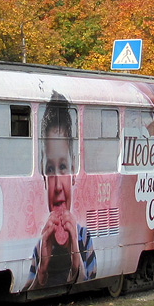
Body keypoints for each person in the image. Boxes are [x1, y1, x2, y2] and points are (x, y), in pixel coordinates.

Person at [28, 93, 96, 289]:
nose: (57, 186)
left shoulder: (84, 238)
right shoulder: (39, 246)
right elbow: (27, 289)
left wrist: (76, 253)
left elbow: (91, 280)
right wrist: (42, 270)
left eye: (64, 167)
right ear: (42, 176)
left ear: (75, 168)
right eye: (50, 169)